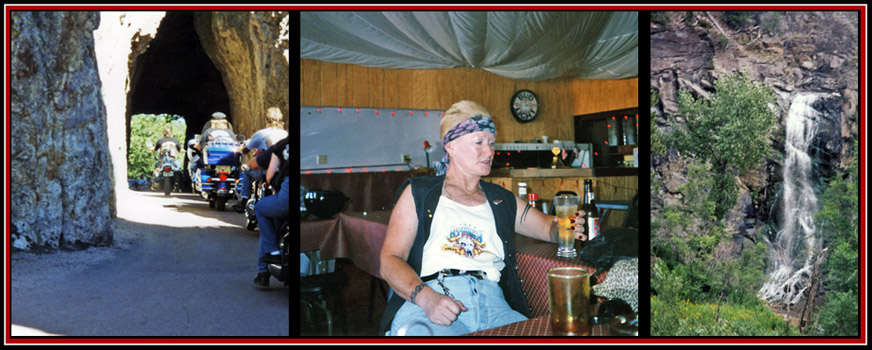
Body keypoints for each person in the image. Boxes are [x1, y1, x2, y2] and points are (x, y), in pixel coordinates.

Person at [378, 100, 589, 336]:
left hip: (494, 305)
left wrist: (564, 228)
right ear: (450, 145)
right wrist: (426, 298)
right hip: (432, 300)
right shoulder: (419, 192)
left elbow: (547, 227)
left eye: (491, 143)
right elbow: (390, 259)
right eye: (479, 142)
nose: (490, 152)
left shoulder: (501, 198)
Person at [248, 135, 289, 287]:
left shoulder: (280, 145)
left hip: (285, 196)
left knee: (261, 210)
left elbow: (268, 174)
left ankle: (265, 269)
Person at [231, 107, 289, 212]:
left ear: (266, 119)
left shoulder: (261, 134)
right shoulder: (285, 135)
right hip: (282, 171)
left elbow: (245, 150)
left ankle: (244, 200)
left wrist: (238, 149)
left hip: (265, 170)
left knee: (247, 170)